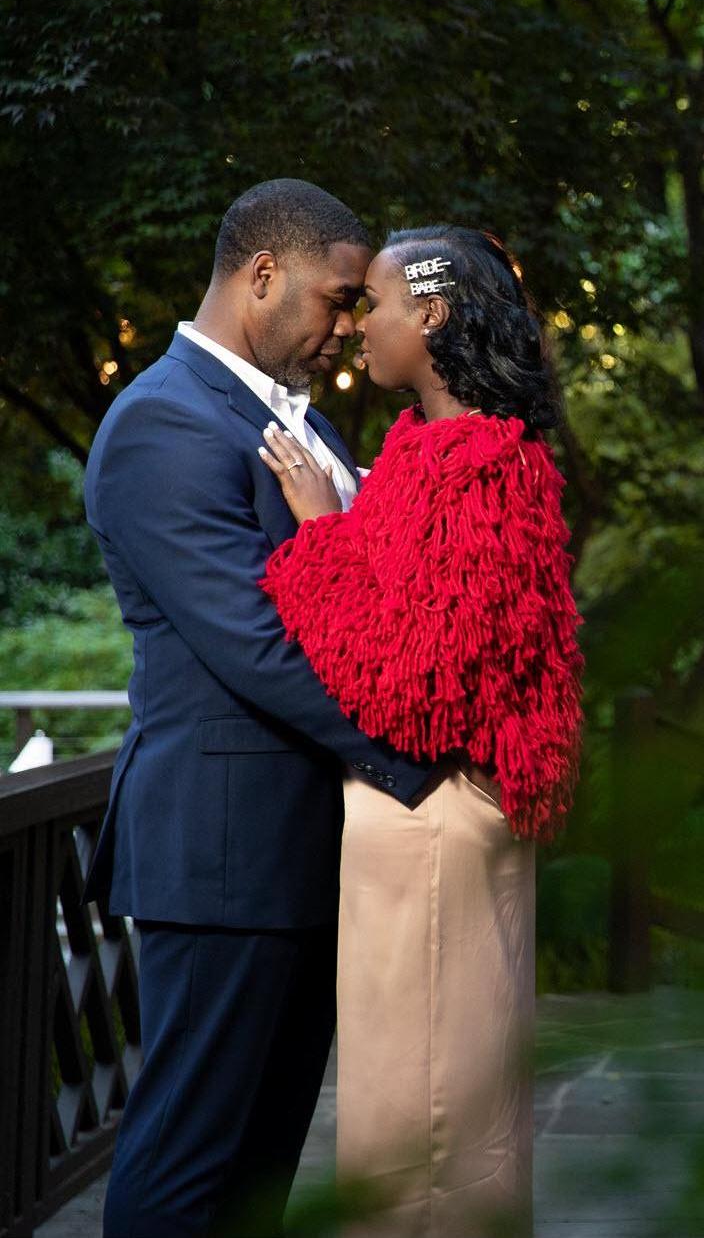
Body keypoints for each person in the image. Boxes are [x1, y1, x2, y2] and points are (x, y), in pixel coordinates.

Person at [83, 179, 444, 1237]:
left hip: (296, 847)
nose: (347, 324)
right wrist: (418, 758)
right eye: (337, 299)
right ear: (263, 274)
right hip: (222, 850)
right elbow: (258, 643)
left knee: (261, 1164)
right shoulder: (163, 422)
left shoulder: (300, 421)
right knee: (188, 1157)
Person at [254, 224, 584, 1237]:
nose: (359, 327)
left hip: (438, 814)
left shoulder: (483, 467)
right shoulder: (424, 451)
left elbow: (411, 684)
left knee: (424, 1114)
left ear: (432, 314)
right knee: (426, 1103)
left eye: (378, 305)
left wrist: (319, 531)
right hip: (424, 815)